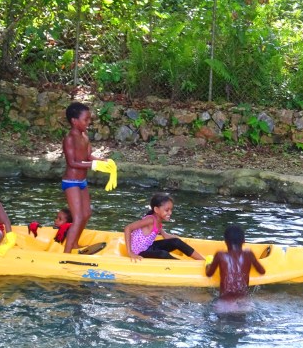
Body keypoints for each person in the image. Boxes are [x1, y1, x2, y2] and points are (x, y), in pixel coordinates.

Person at [61, 101, 117, 253]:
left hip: (82, 181)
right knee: (78, 217)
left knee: (86, 214)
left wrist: (103, 161)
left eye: (89, 119)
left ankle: (74, 243)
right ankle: (65, 254)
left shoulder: (85, 136)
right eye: (85, 119)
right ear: (74, 121)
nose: (88, 122)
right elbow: (72, 162)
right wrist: (93, 165)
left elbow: (88, 156)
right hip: (71, 182)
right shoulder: (69, 139)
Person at [124, 193, 204, 262]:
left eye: (171, 210)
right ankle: (182, 266)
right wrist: (130, 252)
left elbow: (165, 236)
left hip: (149, 247)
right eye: (167, 210)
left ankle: (202, 261)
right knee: (163, 254)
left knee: (176, 241)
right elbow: (128, 228)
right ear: (156, 209)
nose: (170, 213)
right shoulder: (150, 220)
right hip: (140, 252)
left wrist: (177, 240)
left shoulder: (158, 221)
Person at [204, 224, 266, 300]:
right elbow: (262, 271)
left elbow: (209, 274)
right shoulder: (249, 254)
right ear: (244, 241)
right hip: (243, 300)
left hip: (225, 301)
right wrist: (250, 263)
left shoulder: (220, 255)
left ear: (225, 241)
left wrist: (208, 264)